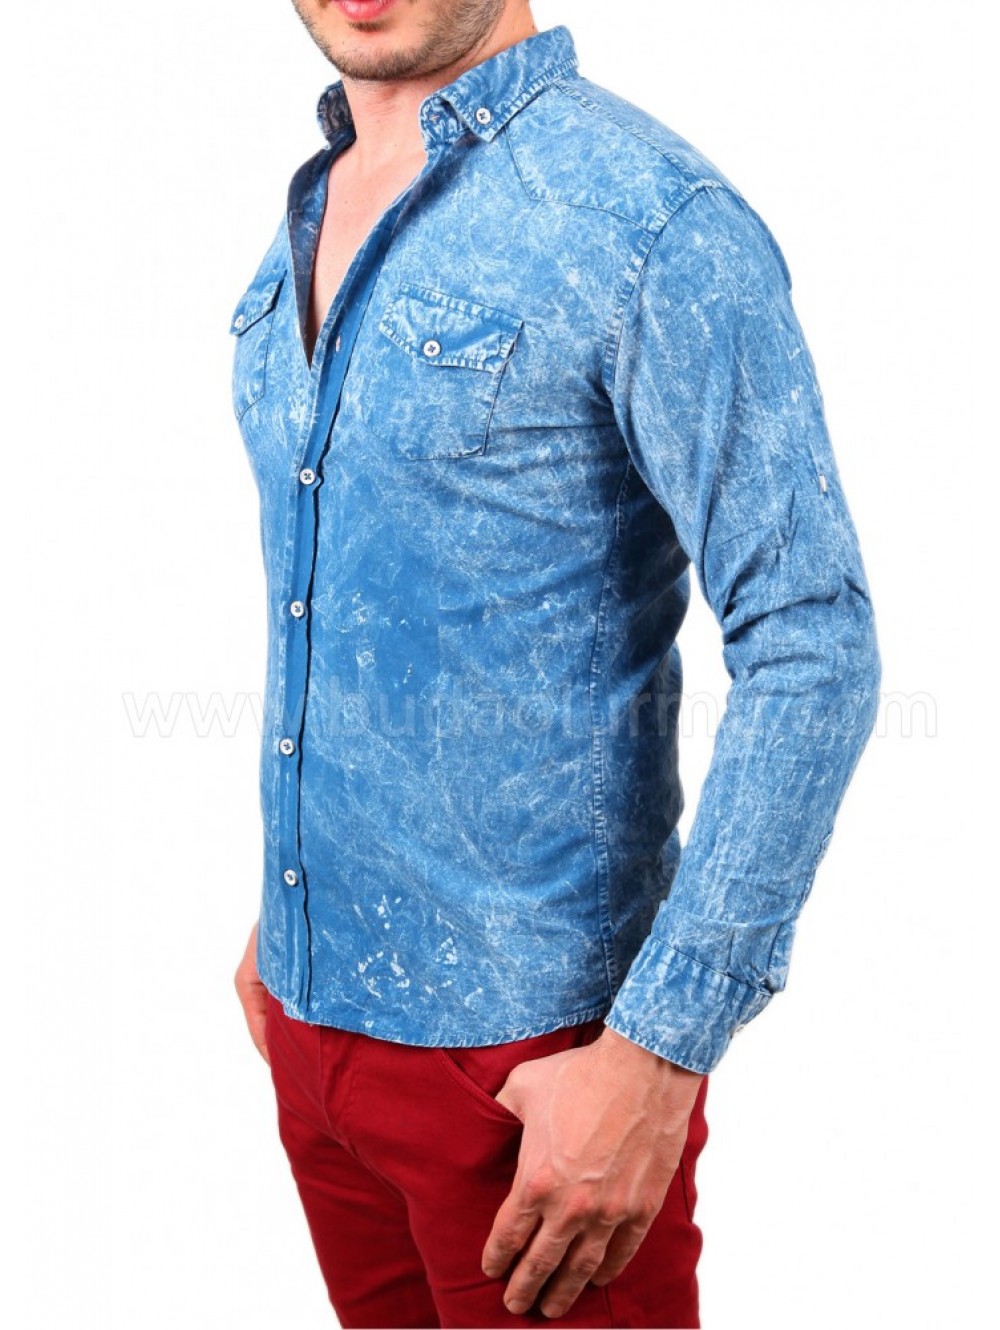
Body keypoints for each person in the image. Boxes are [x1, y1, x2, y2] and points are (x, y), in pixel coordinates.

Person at [231, 2, 881, 1326]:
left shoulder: (650, 221)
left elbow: (812, 637)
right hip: (313, 1026)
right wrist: (296, 921)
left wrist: (654, 1057)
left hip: (536, 1079)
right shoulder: (307, 209)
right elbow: (366, 595)